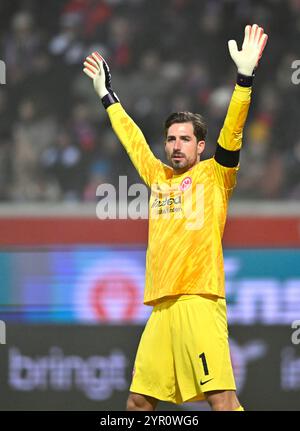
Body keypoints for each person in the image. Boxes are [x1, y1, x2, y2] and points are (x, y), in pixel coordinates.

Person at [83, 24, 268, 411]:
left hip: (199, 300)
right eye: (171, 139)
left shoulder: (216, 174)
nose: (176, 145)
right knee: (137, 402)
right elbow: (133, 140)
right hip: (162, 307)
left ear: (200, 146)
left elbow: (233, 131)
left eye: (185, 139)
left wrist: (244, 78)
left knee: (222, 400)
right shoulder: (159, 178)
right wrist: (107, 97)